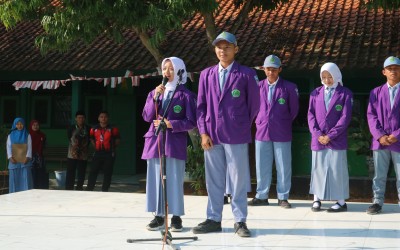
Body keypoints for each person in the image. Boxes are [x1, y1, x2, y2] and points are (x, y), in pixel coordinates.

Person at [193, 31, 260, 237]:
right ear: (215, 49)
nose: (223, 50)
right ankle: (213, 218)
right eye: (219, 47)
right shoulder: (206, 74)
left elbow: (254, 105)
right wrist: (203, 132)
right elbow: (201, 107)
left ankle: (240, 220)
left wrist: (240, 125)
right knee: (214, 179)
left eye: (227, 47)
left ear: (236, 49)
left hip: (236, 135)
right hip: (212, 135)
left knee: (238, 179)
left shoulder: (247, 74)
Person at [142, 57, 197, 232]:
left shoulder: (186, 95)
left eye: (171, 69)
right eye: (164, 68)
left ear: (180, 71)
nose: (166, 72)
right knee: (156, 179)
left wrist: (172, 124)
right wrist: (155, 98)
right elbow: (146, 116)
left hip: (174, 142)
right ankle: (158, 216)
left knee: (173, 179)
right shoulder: (154, 93)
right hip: (155, 141)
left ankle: (176, 217)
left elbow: (191, 121)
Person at [248, 55, 299, 208]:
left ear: (280, 70)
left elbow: (294, 110)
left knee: (283, 165)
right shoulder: (257, 87)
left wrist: (280, 121)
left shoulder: (289, 87)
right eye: (268, 69)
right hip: (262, 131)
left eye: (274, 70)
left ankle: (283, 197)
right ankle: (262, 195)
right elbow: (252, 108)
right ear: (263, 70)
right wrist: (261, 120)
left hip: (282, 131)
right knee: (262, 165)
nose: (271, 72)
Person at [307, 62, 353, 212]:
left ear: (336, 75)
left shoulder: (345, 93)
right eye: (324, 77)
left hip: (336, 139)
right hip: (318, 139)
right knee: (317, 168)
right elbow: (310, 115)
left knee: (337, 169)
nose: (327, 80)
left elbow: (345, 118)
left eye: (330, 77)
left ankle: (341, 201)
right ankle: (316, 199)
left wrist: (330, 135)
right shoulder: (315, 93)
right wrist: (318, 134)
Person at [366, 56, 400, 215]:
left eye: (396, 68)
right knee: (379, 174)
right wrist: (379, 135)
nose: (393, 71)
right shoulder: (376, 92)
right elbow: (371, 116)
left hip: (398, 140)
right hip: (380, 141)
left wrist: (397, 134)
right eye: (390, 69)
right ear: (384, 72)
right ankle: (377, 202)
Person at [85, 111, 120, 192]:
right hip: (98, 153)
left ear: (108, 118)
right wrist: (96, 147)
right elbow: (91, 138)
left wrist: (112, 148)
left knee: (108, 172)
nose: (103, 118)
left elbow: (117, 140)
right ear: (98, 118)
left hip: (109, 153)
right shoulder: (93, 129)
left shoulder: (113, 129)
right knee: (93, 170)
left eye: (105, 117)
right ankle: (89, 188)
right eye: (101, 117)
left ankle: (105, 189)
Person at [65, 111, 91, 190]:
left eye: (82, 118)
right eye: (79, 118)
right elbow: (70, 138)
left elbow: (89, 140)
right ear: (76, 119)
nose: (81, 119)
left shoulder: (88, 128)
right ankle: (69, 188)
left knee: (81, 172)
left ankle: (79, 188)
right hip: (72, 154)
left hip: (83, 154)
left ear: (85, 119)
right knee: (70, 172)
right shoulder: (71, 128)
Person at [7, 117, 33, 193]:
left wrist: (27, 157)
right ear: (15, 125)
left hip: (25, 161)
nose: (19, 125)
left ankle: (27, 198)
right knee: (14, 181)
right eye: (17, 124)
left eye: (21, 123)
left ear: (23, 124)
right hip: (14, 162)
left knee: (26, 180)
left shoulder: (27, 135)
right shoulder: (10, 135)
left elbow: (29, 146)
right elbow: (8, 147)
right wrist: (10, 157)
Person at [29, 120, 48, 189]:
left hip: (40, 157)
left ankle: (40, 188)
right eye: (34, 125)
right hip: (30, 157)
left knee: (40, 173)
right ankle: (32, 187)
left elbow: (45, 146)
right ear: (31, 126)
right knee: (32, 173)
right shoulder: (28, 135)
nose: (35, 126)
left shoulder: (42, 135)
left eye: (37, 125)